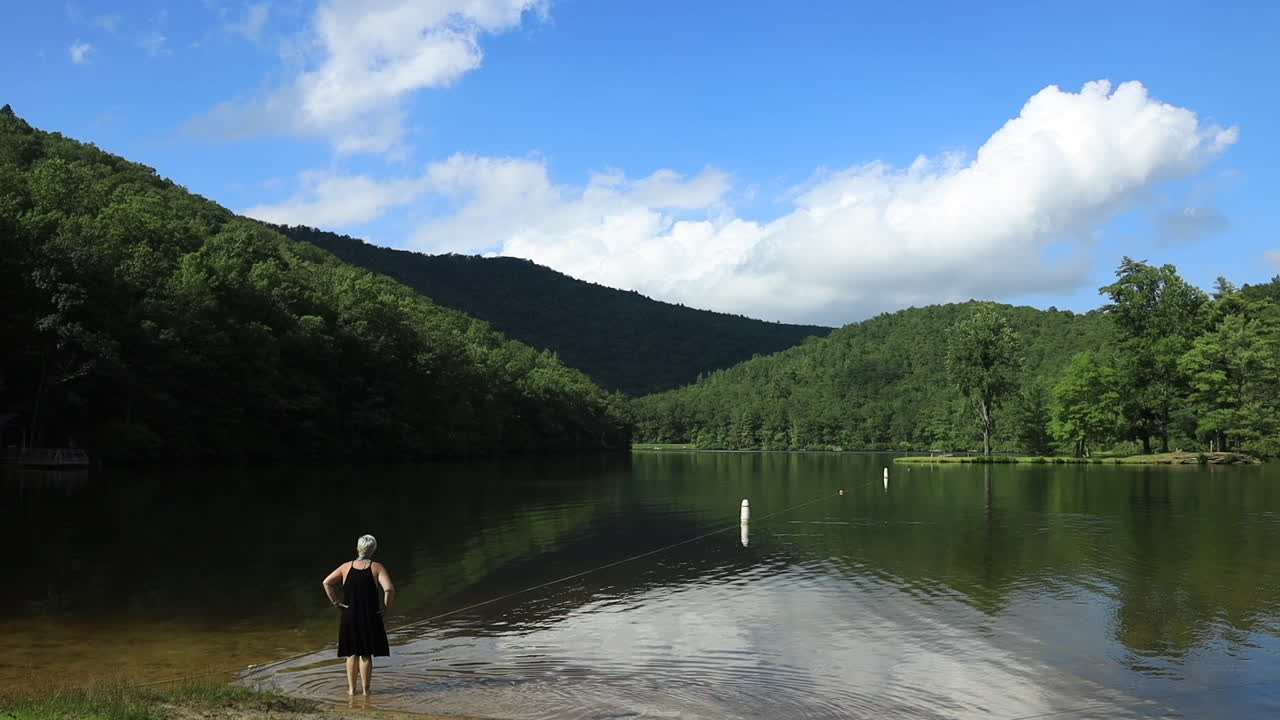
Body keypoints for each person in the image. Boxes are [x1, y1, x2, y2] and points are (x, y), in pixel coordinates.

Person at [322, 534, 395, 695]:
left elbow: (326, 582)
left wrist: (336, 602)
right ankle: (366, 691)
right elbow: (389, 589)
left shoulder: (345, 567)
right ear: (373, 550)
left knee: (351, 653)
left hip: (349, 615)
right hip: (370, 616)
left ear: (357, 548)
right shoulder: (377, 567)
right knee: (365, 654)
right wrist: (386, 608)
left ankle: (351, 690)